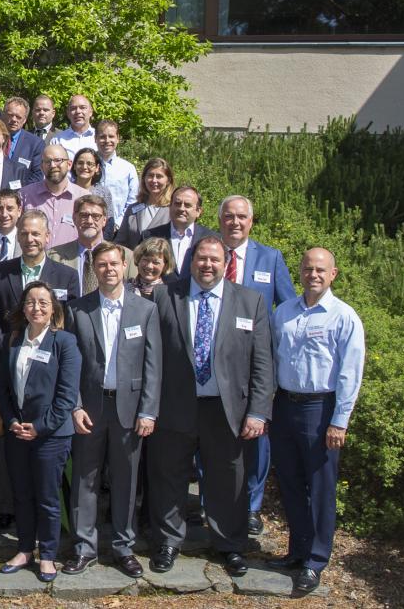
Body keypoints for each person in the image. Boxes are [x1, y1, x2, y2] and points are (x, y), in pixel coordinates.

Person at [147, 235, 274, 578]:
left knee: (228, 479)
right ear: (190, 262)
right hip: (175, 405)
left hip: (227, 409)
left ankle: (230, 544)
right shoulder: (164, 296)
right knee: (168, 475)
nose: (207, 265)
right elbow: (151, 357)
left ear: (226, 264)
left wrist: (259, 411)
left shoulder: (251, 302)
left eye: (214, 259)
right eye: (201, 258)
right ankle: (168, 542)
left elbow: (262, 363)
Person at [61, 243, 162, 579]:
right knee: (85, 480)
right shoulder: (78, 310)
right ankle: (84, 547)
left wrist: (148, 411)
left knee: (126, 481)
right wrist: (74, 406)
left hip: (130, 410)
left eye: (114, 264)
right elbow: (69, 365)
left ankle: (123, 546)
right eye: (101, 264)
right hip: (89, 408)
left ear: (125, 267)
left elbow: (153, 366)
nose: (108, 270)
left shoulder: (145, 310)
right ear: (94, 268)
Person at [268, 248, 365, 595]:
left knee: (321, 487)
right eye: (308, 268)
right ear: (300, 271)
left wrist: (340, 421)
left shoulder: (343, 316)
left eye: (321, 270)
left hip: (320, 410)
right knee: (291, 482)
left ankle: (316, 559)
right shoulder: (284, 312)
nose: (313, 275)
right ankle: (297, 551)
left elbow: (350, 373)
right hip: (284, 406)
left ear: (333, 274)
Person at [217, 194, 298, 536]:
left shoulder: (271, 258)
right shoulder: (207, 253)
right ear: (219, 221)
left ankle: (251, 506)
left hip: (255, 366)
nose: (234, 222)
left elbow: (290, 307)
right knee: (214, 437)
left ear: (251, 222)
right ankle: (214, 503)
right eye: (229, 217)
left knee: (257, 438)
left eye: (241, 217)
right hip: (215, 363)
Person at [0, 281, 80, 582]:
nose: (37, 308)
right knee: (22, 494)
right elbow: (1, 387)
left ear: (53, 308)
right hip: (16, 432)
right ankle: (24, 548)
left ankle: (49, 555)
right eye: (31, 302)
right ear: (23, 307)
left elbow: (67, 396)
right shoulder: (13, 339)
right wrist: (10, 421)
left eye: (43, 302)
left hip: (51, 436)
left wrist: (40, 428)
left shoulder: (64, 342)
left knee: (47, 497)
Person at [0, 210, 81, 354]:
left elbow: (70, 323)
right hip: (8, 359)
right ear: (17, 237)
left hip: (51, 359)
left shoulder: (67, 276)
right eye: (24, 233)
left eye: (35, 234)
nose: (29, 239)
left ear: (47, 236)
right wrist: (8, 346)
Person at [47, 196, 137, 295]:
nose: (89, 221)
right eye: (84, 215)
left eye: (96, 216)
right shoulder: (53, 256)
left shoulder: (127, 256)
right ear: (74, 218)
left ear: (104, 221)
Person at [20, 144, 88, 249]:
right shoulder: (25, 195)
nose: (52, 165)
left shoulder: (84, 197)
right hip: (35, 261)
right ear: (42, 166)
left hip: (70, 262)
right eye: (47, 161)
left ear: (69, 164)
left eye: (58, 160)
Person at [144, 185, 217, 276]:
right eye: (177, 204)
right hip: (158, 289)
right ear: (170, 207)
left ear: (198, 211)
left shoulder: (212, 238)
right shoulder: (149, 236)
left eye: (187, 205)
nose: (182, 208)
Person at [117, 158, 175, 248]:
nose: (154, 180)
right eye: (150, 176)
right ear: (144, 178)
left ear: (168, 180)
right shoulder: (133, 209)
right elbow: (120, 242)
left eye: (159, 176)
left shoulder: (173, 210)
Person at [93, 121, 138, 225]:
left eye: (111, 136)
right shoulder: (87, 166)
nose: (107, 140)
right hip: (90, 225)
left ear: (118, 138)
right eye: (102, 137)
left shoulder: (128, 169)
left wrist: (117, 224)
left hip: (119, 228)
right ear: (95, 139)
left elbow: (133, 201)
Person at [69, 148, 116, 234]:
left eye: (90, 164)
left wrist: (102, 245)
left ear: (97, 168)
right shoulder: (67, 190)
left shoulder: (103, 192)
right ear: (74, 166)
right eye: (80, 163)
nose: (84, 167)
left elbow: (109, 223)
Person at [0, 97, 46, 179]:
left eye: (18, 117)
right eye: (10, 115)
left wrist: (18, 190)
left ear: (24, 120)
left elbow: (37, 177)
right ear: (3, 115)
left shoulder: (35, 144)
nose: (14, 119)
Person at [50, 95, 97, 162]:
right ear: (68, 113)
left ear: (91, 112)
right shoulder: (57, 140)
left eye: (82, 108)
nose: (78, 111)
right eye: (73, 108)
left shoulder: (99, 137)